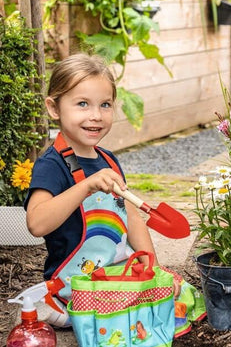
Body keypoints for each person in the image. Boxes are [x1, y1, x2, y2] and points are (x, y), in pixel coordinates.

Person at [25, 53, 180, 325]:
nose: (95, 116)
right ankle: (59, 309)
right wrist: (85, 186)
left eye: (105, 105)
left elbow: (131, 217)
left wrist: (151, 266)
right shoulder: (52, 165)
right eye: (82, 104)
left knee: (178, 289)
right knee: (136, 313)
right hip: (76, 283)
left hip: (115, 272)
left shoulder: (108, 160)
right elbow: (37, 224)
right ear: (54, 108)